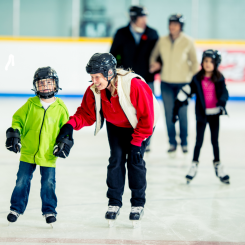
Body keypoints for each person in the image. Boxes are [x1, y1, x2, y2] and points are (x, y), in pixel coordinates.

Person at [56, 53, 160, 228]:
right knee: (116, 160)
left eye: (97, 77)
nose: (94, 81)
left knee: (135, 162)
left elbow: (147, 117)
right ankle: (114, 202)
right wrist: (69, 125)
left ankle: (137, 204)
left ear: (109, 72)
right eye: (92, 77)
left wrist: (137, 142)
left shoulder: (133, 85)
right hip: (117, 126)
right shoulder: (95, 90)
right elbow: (86, 114)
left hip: (140, 126)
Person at [5, 67, 72, 227]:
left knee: (48, 182)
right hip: (28, 152)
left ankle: (49, 210)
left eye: (49, 83)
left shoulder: (61, 108)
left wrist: (64, 141)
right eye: (41, 83)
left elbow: (66, 128)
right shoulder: (30, 104)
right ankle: (16, 209)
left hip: (48, 154)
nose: (45, 86)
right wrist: (15, 133)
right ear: (36, 86)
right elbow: (18, 120)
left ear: (56, 85)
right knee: (21, 180)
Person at [172, 50, 230, 184]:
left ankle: (218, 165)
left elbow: (224, 92)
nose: (208, 64)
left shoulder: (220, 78)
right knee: (198, 142)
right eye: (206, 61)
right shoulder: (197, 78)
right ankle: (194, 164)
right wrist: (177, 104)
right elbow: (188, 90)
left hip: (214, 114)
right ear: (202, 62)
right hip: (202, 115)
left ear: (216, 64)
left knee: (215, 142)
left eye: (211, 62)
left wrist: (222, 101)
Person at [110, 6, 159, 152]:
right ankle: (129, 139)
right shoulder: (121, 33)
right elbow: (113, 55)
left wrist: (159, 64)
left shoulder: (152, 34)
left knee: (147, 111)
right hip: (125, 81)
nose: (145, 20)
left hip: (146, 80)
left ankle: (146, 140)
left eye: (146, 16)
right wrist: (116, 75)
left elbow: (159, 55)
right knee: (127, 109)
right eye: (141, 17)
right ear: (133, 18)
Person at [150, 14, 199, 156]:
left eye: (176, 24)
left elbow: (194, 62)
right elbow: (154, 56)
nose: (172, 27)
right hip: (166, 83)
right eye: (171, 24)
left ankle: (184, 142)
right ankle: (172, 142)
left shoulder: (188, 41)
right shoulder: (162, 40)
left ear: (181, 26)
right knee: (169, 113)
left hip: (183, 84)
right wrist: (155, 64)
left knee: (182, 113)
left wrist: (193, 80)